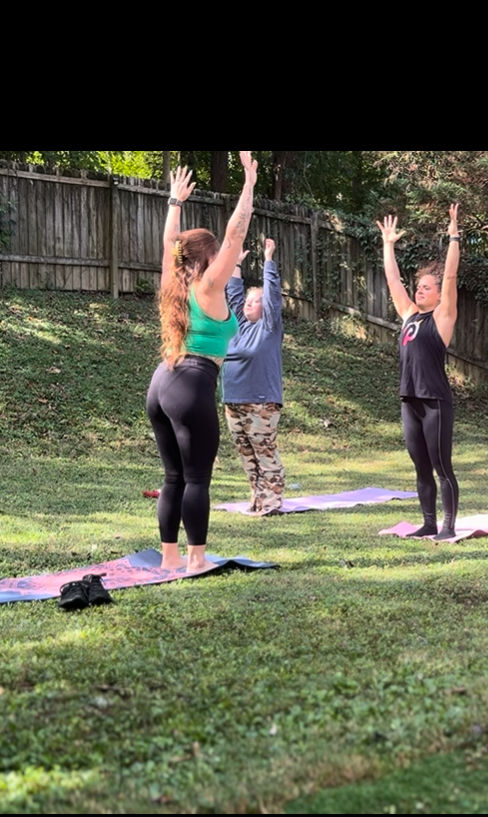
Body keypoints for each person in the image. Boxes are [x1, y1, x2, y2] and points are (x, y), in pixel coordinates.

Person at [146, 154, 258, 571]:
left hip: (162, 384)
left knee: (174, 477)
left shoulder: (172, 280)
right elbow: (234, 234)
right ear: (209, 259)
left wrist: (175, 202)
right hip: (192, 384)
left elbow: (169, 244)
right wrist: (248, 185)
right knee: (197, 479)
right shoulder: (210, 286)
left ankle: (169, 559)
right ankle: (196, 560)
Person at [377, 204, 461, 540]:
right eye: (420, 286)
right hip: (409, 400)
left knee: (442, 467)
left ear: (439, 294)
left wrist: (454, 235)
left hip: (435, 401)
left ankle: (448, 526)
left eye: (427, 287)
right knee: (420, 466)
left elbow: (452, 275)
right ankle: (428, 523)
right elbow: (393, 280)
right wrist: (388, 245)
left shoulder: (443, 317)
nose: (420, 290)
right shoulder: (410, 315)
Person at [223, 237, 285, 515]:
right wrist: (236, 263)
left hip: (261, 402)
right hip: (233, 401)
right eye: (248, 300)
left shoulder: (269, 328)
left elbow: (272, 296)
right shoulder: (237, 326)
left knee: (264, 451)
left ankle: (272, 502)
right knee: (247, 455)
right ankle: (257, 498)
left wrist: (268, 260)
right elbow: (234, 294)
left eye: (255, 301)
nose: (249, 304)